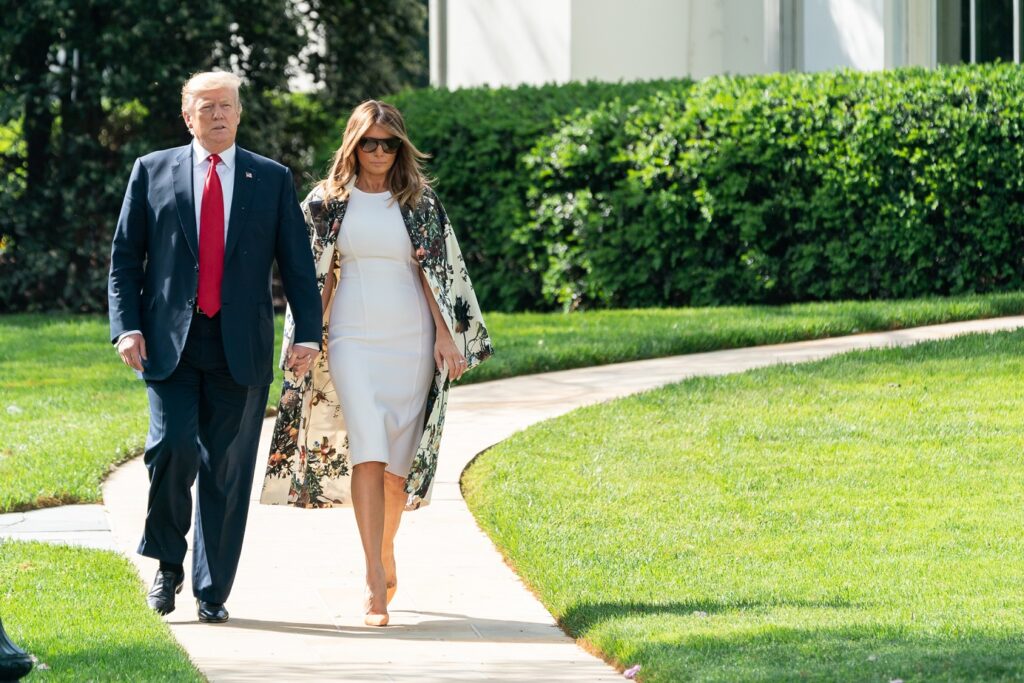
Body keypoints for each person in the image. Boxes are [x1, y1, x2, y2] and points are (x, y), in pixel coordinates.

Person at [260, 100, 494, 626]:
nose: (380, 152)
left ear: (401, 148)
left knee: (395, 470)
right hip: (351, 338)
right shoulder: (325, 203)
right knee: (366, 449)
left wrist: (446, 336)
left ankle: (386, 550)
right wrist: (306, 339)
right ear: (353, 144)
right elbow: (313, 277)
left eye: (390, 144)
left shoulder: (419, 202)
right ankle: (371, 575)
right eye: (370, 142)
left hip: (410, 339)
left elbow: (437, 274)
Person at [108, 71, 322, 623]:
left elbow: (297, 265)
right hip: (169, 342)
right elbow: (125, 261)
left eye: (227, 106)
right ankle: (168, 565)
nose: (219, 115)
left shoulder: (270, 178)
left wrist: (307, 333)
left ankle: (211, 589)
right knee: (173, 448)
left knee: (226, 468)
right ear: (188, 116)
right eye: (207, 108)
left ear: (239, 113)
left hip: (240, 345)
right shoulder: (151, 171)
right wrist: (126, 327)